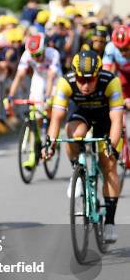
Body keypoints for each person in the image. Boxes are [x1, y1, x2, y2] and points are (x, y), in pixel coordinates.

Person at [44, 51, 124, 242]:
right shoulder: (66, 82)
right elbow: (56, 118)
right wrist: (49, 144)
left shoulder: (110, 82)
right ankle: (77, 172)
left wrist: (111, 146)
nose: (85, 85)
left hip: (106, 119)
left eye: (90, 79)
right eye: (81, 79)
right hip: (82, 114)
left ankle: (110, 221)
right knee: (73, 135)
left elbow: (117, 120)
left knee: (108, 164)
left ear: (98, 75)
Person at [7, 33, 62, 168]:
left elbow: (50, 77)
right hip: (38, 78)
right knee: (35, 113)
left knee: (48, 109)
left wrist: (48, 98)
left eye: (38, 55)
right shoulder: (27, 54)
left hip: (54, 79)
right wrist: (10, 96)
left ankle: (52, 135)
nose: (35, 59)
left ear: (44, 50)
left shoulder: (53, 54)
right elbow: (19, 76)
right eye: (33, 56)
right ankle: (33, 153)